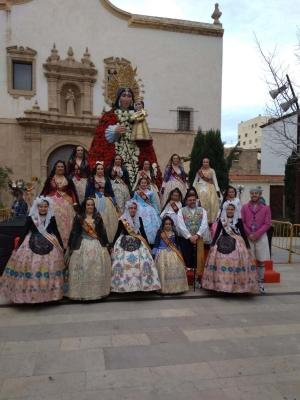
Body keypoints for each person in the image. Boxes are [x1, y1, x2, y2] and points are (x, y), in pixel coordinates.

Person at [87, 64, 162, 189]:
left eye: (129, 96)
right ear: (118, 97)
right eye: (123, 96)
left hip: (135, 152)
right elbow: (101, 138)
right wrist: (114, 131)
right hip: (117, 154)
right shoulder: (109, 115)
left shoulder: (138, 115)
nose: (126, 99)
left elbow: (144, 137)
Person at [0, 196, 64, 303]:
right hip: (31, 243)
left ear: (48, 207)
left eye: (45, 207)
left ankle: (49, 294)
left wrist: (61, 246)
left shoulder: (51, 218)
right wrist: (18, 246)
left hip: (50, 243)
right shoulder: (31, 218)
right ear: (37, 207)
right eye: (41, 207)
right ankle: (30, 294)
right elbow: (24, 232)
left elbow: (56, 231)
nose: (43, 209)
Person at [202, 202, 259, 293]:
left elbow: (243, 234)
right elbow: (217, 233)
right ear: (225, 210)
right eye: (228, 209)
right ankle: (221, 285)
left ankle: (236, 286)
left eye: (231, 209)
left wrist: (247, 246)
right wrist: (212, 245)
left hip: (237, 243)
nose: (230, 211)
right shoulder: (222, 220)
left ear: (235, 210)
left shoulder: (238, 220)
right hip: (222, 241)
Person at [110, 200, 161, 293]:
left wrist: (148, 246)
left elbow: (143, 233)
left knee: (144, 261)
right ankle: (123, 286)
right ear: (128, 209)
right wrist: (113, 246)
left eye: (134, 208)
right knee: (123, 262)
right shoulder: (123, 220)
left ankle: (142, 285)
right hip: (124, 242)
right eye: (131, 208)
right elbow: (117, 233)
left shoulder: (139, 219)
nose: (133, 210)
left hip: (138, 241)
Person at [66, 198, 111, 300]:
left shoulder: (98, 217)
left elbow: (102, 232)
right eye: (88, 205)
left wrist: (106, 244)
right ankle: (81, 292)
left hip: (96, 243)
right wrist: (72, 246)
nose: (90, 207)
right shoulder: (79, 217)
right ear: (84, 206)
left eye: (92, 205)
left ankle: (97, 291)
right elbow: (75, 232)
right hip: (82, 244)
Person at [41, 160, 79, 249]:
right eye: (58, 166)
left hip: (66, 206)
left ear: (64, 168)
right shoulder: (51, 179)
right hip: (52, 204)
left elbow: (72, 191)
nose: (60, 168)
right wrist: (40, 201)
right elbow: (45, 191)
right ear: (55, 168)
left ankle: (66, 244)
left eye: (62, 167)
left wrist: (75, 202)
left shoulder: (68, 179)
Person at [241, 187, 271, 293]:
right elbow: (242, 222)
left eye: (256, 193)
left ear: (259, 195)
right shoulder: (244, 207)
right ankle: (249, 282)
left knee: (261, 260)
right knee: (249, 260)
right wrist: (249, 234)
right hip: (248, 236)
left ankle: (260, 282)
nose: (254, 195)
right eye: (252, 193)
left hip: (261, 236)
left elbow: (267, 224)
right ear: (250, 195)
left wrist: (257, 235)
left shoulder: (266, 208)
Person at [177, 193, 208, 288]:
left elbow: (204, 224)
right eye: (190, 200)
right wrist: (189, 236)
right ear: (186, 201)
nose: (192, 202)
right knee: (186, 259)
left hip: (198, 239)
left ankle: (196, 280)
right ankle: (185, 280)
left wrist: (197, 235)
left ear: (196, 200)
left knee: (197, 260)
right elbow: (180, 225)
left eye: (193, 200)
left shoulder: (202, 211)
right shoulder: (181, 211)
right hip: (186, 239)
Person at [152, 216, 188, 294]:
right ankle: (164, 288)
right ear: (163, 225)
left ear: (172, 225)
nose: (168, 225)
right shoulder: (160, 233)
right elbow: (156, 243)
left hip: (173, 251)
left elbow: (177, 244)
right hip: (161, 252)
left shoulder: (174, 233)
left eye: (169, 224)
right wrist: (154, 253)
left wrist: (180, 253)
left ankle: (176, 288)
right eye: (166, 224)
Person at [85, 161, 119, 242]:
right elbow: (87, 191)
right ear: (96, 170)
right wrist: (85, 202)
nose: (100, 170)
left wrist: (115, 202)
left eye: (101, 169)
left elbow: (111, 192)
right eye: (98, 169)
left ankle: (109, 240)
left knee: (108, 220)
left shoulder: (106, 179)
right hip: (94, 200)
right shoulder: (91, 178)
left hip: (106, 200)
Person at [133, 177, 161, 245]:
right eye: (142, 183)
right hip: (139, 210)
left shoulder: (150, 192)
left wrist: (157, 212)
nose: (143, 184)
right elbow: (133, 201)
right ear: (139, 183)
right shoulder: (137, 192)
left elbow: (153, 202)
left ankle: (151, 241)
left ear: (147, 184)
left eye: (145, 183)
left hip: (149, 209)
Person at [193, 157, 221, 224]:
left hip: (210, 188)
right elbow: (195, 180)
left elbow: (215, 180)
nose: (205, 163)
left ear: (209, 163)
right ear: (202, 162)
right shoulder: (199, 171)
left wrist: (217, 190)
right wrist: (192, 189)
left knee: (210, 203)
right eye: (204, 162)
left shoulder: (212, 171)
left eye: (207, 162)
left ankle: (209, 220)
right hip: (199, 188)